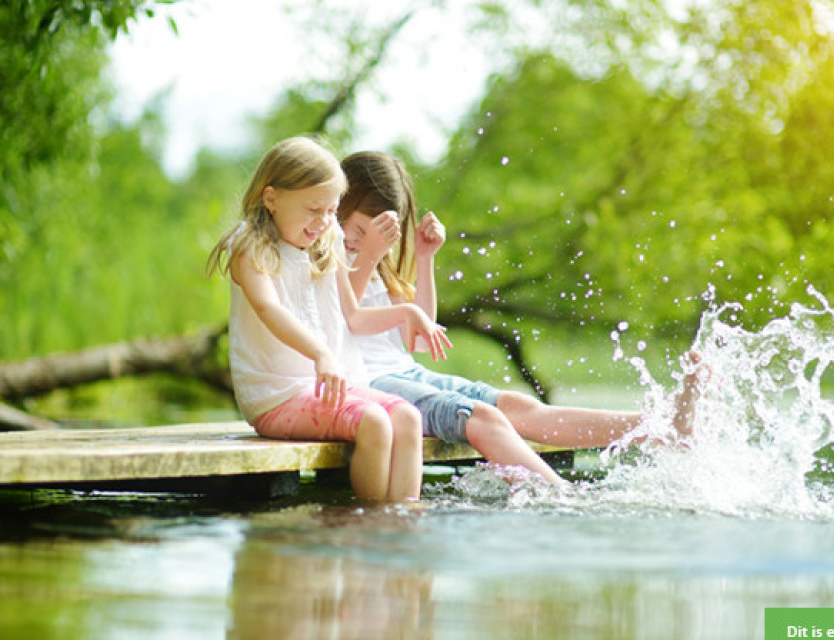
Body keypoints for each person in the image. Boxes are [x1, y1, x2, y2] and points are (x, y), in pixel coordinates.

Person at [337, 151, 705, 485]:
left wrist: (425, 257)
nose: (364, 241)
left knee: (519, 406)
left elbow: (417, 339)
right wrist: (368, 254)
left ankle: (659, 427)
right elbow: (341, 322)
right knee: (482, 416)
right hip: (371, 384)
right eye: (358, 231)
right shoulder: (330, 258)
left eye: (382, 233)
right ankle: (559, 496)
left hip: (406, 372)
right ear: (340, 207)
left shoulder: (378, 266)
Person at [206, 137, 450, 501]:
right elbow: (269, 309)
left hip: (333, 388)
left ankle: (401, 526)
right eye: (313, 209)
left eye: (331, 211)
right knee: (374, 421)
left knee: (408, 418)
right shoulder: (250, 246)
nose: (323, 221)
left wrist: (409, 311)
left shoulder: (328, 238)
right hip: (278, 394)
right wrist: (321, 354)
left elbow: (351, 313)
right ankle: (365, 527)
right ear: (271, 198)